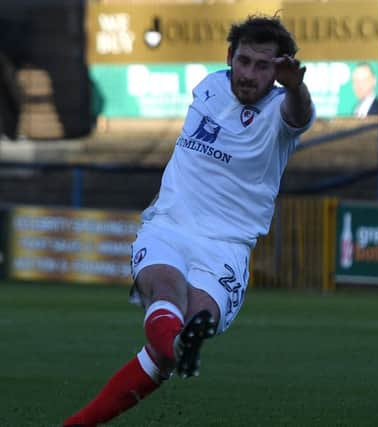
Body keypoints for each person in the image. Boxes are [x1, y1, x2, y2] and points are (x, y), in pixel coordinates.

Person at [63, 15, 314, 427]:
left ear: (279, 71)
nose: (250, 74)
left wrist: (296, 86)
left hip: (227, 247)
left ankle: (179, 344)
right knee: (166, 288)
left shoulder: (280, 113)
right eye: (245, 61)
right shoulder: (211, 86)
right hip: (169, 226)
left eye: (263, 66)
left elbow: (298, 113)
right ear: (230, 56)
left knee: (190, 326)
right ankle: (176, 345)